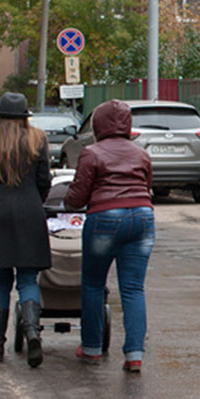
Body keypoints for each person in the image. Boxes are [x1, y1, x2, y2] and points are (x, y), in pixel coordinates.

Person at [64, 100, 154, 373]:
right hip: (142, 219)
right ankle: (134, 355)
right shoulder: (141, 154)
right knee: (133, 288)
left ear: (98, 124)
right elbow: (147, 186)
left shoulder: (91, 152)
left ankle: (91, 348)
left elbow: (77, 197)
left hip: (105, 219)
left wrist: (68, 203)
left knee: (93, 284)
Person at [0, 92, 51, 367]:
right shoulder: (36, 140)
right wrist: (34, 198)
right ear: (24, 117)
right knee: (28, 280)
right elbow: (44, 179)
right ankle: (33, 333)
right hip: (29, 209)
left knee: (0, 281)